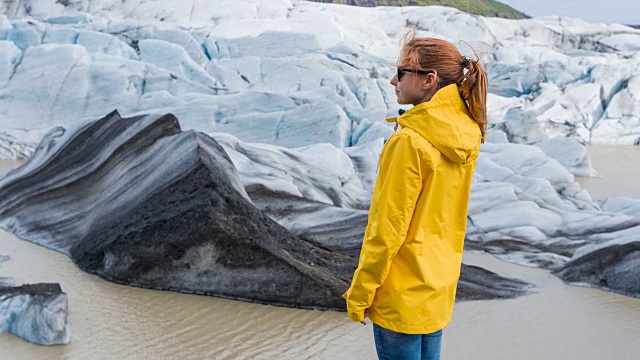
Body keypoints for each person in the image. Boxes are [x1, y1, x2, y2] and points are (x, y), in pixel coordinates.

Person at [342, 35, 488, 360]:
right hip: (436, 285)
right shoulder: (465, 131)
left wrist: (361, 292)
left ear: (429, 80)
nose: (393, 80)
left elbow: (387, 230)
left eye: (401, 71)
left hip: (401, 290)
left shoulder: (409, 142)